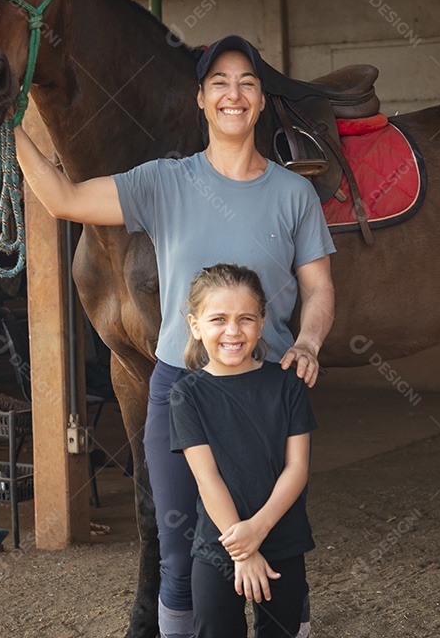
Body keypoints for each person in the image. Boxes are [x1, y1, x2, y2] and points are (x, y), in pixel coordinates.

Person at [12, 35, 335, 638]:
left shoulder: (294, 193)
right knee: (176, 545)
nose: (233, 94)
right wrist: (12, 129)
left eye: (246, 83)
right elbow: (64, 198)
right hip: (180, 387)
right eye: (220, 84)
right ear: (201, 100)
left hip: (267, 390)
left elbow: (318, 289)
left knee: (281, 543)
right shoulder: (164, 182)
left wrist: (310, 342)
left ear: (261, 101)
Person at [169, 264, 316, 638]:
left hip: (282, 540)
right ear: (195, 325)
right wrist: (243, 549)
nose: (233, 331)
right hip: (220, 547)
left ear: (262, 322)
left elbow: (296, 468)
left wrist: (258, 530)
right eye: (218, 318)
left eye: (245, 318)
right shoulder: (186, 395)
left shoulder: (288, 386)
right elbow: (207, 477)